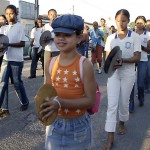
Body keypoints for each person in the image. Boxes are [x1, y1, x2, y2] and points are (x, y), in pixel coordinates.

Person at [39, 14, 96, 149]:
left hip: (78, 127)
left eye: (67, 35)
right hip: (54, 124)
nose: (61, 38)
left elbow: (91, 100)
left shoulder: (85, 65)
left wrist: (60, 102)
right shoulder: (50, 63)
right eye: (58, 34)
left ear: (79, 38)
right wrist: (41, 102)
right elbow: (47, 91)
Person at [103, 9, 141, 150]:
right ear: (115, 21)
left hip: (128, 74)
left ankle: (122, 123)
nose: (121, 23)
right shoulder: (111, 38)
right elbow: (108, 58)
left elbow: (137, 57)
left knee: (123, 103)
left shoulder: (134, 37)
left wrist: (123, 60)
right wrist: (113, 63)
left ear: (128, 21)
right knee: (112, 104)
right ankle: (110, 136)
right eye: (118, 20)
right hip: (114, 74)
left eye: (124, 20)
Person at [0, 5, 29, 118]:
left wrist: (8, 45)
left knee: (17, 83)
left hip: (17, 60)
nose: (8, 16)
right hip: (6, 59)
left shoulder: (20, 26)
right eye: (7, 14)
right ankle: (4, 108)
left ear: (16, 14)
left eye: (11, 13)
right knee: (2, 84)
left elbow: (22, 43)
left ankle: (25, 102)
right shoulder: (3, 28)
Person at [135, 16, 150, 106]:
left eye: (141, 23)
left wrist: (140, 47)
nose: (139, 25)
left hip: (143, 60)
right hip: (131, 61)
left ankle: (141, 98)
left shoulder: (148, 34)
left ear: (144, 24)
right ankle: (130, 104)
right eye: (138, 23)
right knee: (130, 84)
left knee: (140, 83)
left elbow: (149, 50)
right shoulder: (132, 34)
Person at [43, 9, 60, 82]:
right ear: (48, 16)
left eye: (54, 14)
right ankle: (46, 87)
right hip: (47, 50)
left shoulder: (59, 26)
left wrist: (52, 38)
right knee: (46, 70)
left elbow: (60, 37)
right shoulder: (45, 26)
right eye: (51, 14)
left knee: (56, 70)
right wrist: (46, 39)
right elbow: (43, 37)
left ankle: (56, 88)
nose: (53, 16)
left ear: (56, 16)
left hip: (57, 50)